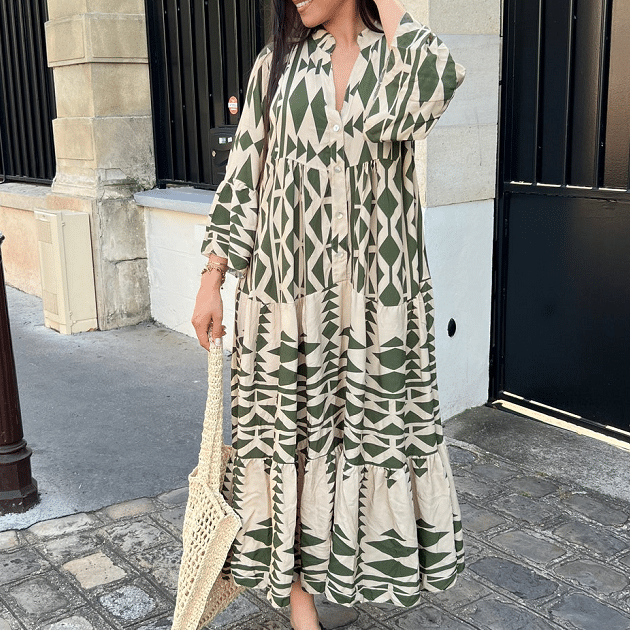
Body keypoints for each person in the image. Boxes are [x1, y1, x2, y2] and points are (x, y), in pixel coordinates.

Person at [192, 0, 466, 628]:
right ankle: (301, 605)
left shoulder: (396, 60)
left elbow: (439, 78)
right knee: (290, 438)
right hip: (288, 298)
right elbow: (243, 177)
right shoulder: (276, 68)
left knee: (365, 436)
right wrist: (213, 277)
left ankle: (346, 568)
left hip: (377, 300)